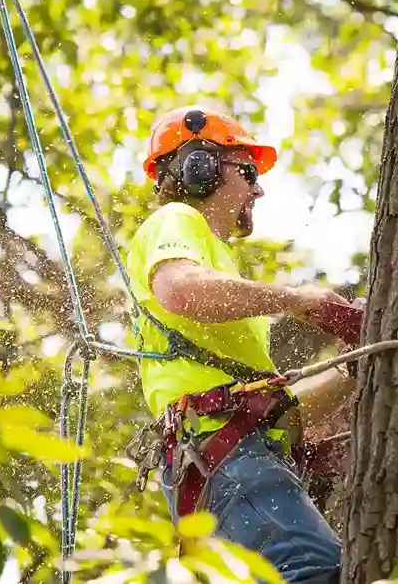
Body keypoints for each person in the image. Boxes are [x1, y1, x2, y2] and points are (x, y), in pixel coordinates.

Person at [124, 105, 355, 584]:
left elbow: (269, 410)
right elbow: (181, 289)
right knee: (316, 570)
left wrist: (356, 369)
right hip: (226, 459)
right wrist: (301, 302)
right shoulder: (176, 221)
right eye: (246, 170)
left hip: (233, 460)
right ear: (200, 169)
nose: (258, 188)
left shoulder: (218, 259)